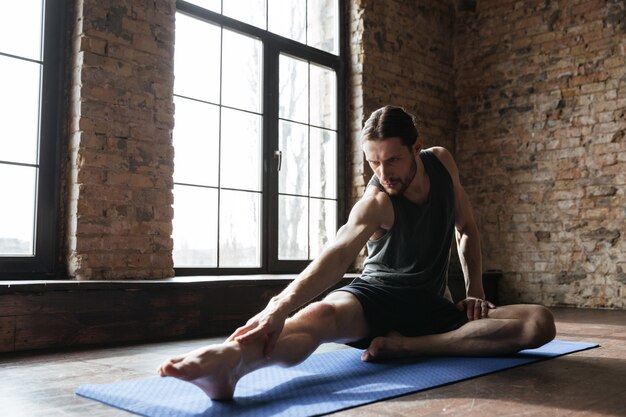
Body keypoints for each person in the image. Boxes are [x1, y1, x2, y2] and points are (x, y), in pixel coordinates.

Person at [158, 105, 556, 400]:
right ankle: (230, 362)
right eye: (373, 163)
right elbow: (338, 252)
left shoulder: (443, 163)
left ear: (416, 147)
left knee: (539, 323)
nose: (384, 173)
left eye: (393, 159)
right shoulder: (377, 202)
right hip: (377, 298)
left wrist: (477, 293)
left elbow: (466, 229)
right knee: (318, 317)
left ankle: (407, 347)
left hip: (433, 309)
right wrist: (278, 307)